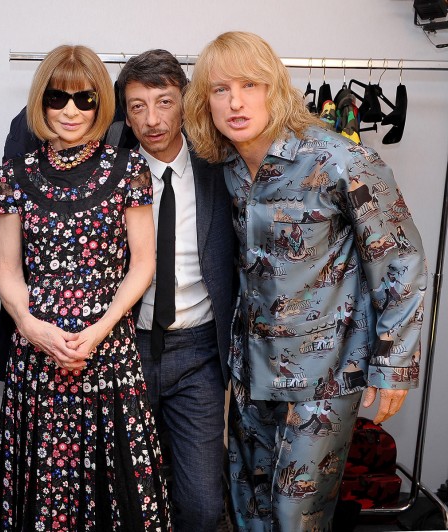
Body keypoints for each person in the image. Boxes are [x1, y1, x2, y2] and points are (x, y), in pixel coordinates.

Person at [183, 31, 428, 531]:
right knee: (249, 505)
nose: (235, 102)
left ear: (276, 88)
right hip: (251, 373)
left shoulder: (341, 160)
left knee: (298, 515)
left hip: (325, 375)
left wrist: (393, 365)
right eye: (220, 89)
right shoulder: (224, 166)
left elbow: (401, 261)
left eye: (250, 84)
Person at [0, 44, 169, 531]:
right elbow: (7, 270)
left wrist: (101, 329)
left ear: (100, 103)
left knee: (117, 486)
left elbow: (144, 264)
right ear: (40, 102)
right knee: (42, 482)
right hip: (37, 352)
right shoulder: (15, 174)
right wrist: (30, 326)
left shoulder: (130, 169)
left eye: (85, 99)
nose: (70, 111)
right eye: (58, 98)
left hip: (107, 352)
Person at [115, 49, 235, 531]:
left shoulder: (220, 166)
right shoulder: (112, 173)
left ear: (185, 102)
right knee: (125, 494)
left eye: (163, 102)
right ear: (125, 114)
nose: (152, 119)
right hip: (125, 347)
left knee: (204, 505)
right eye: (138, 106)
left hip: (199, 354)